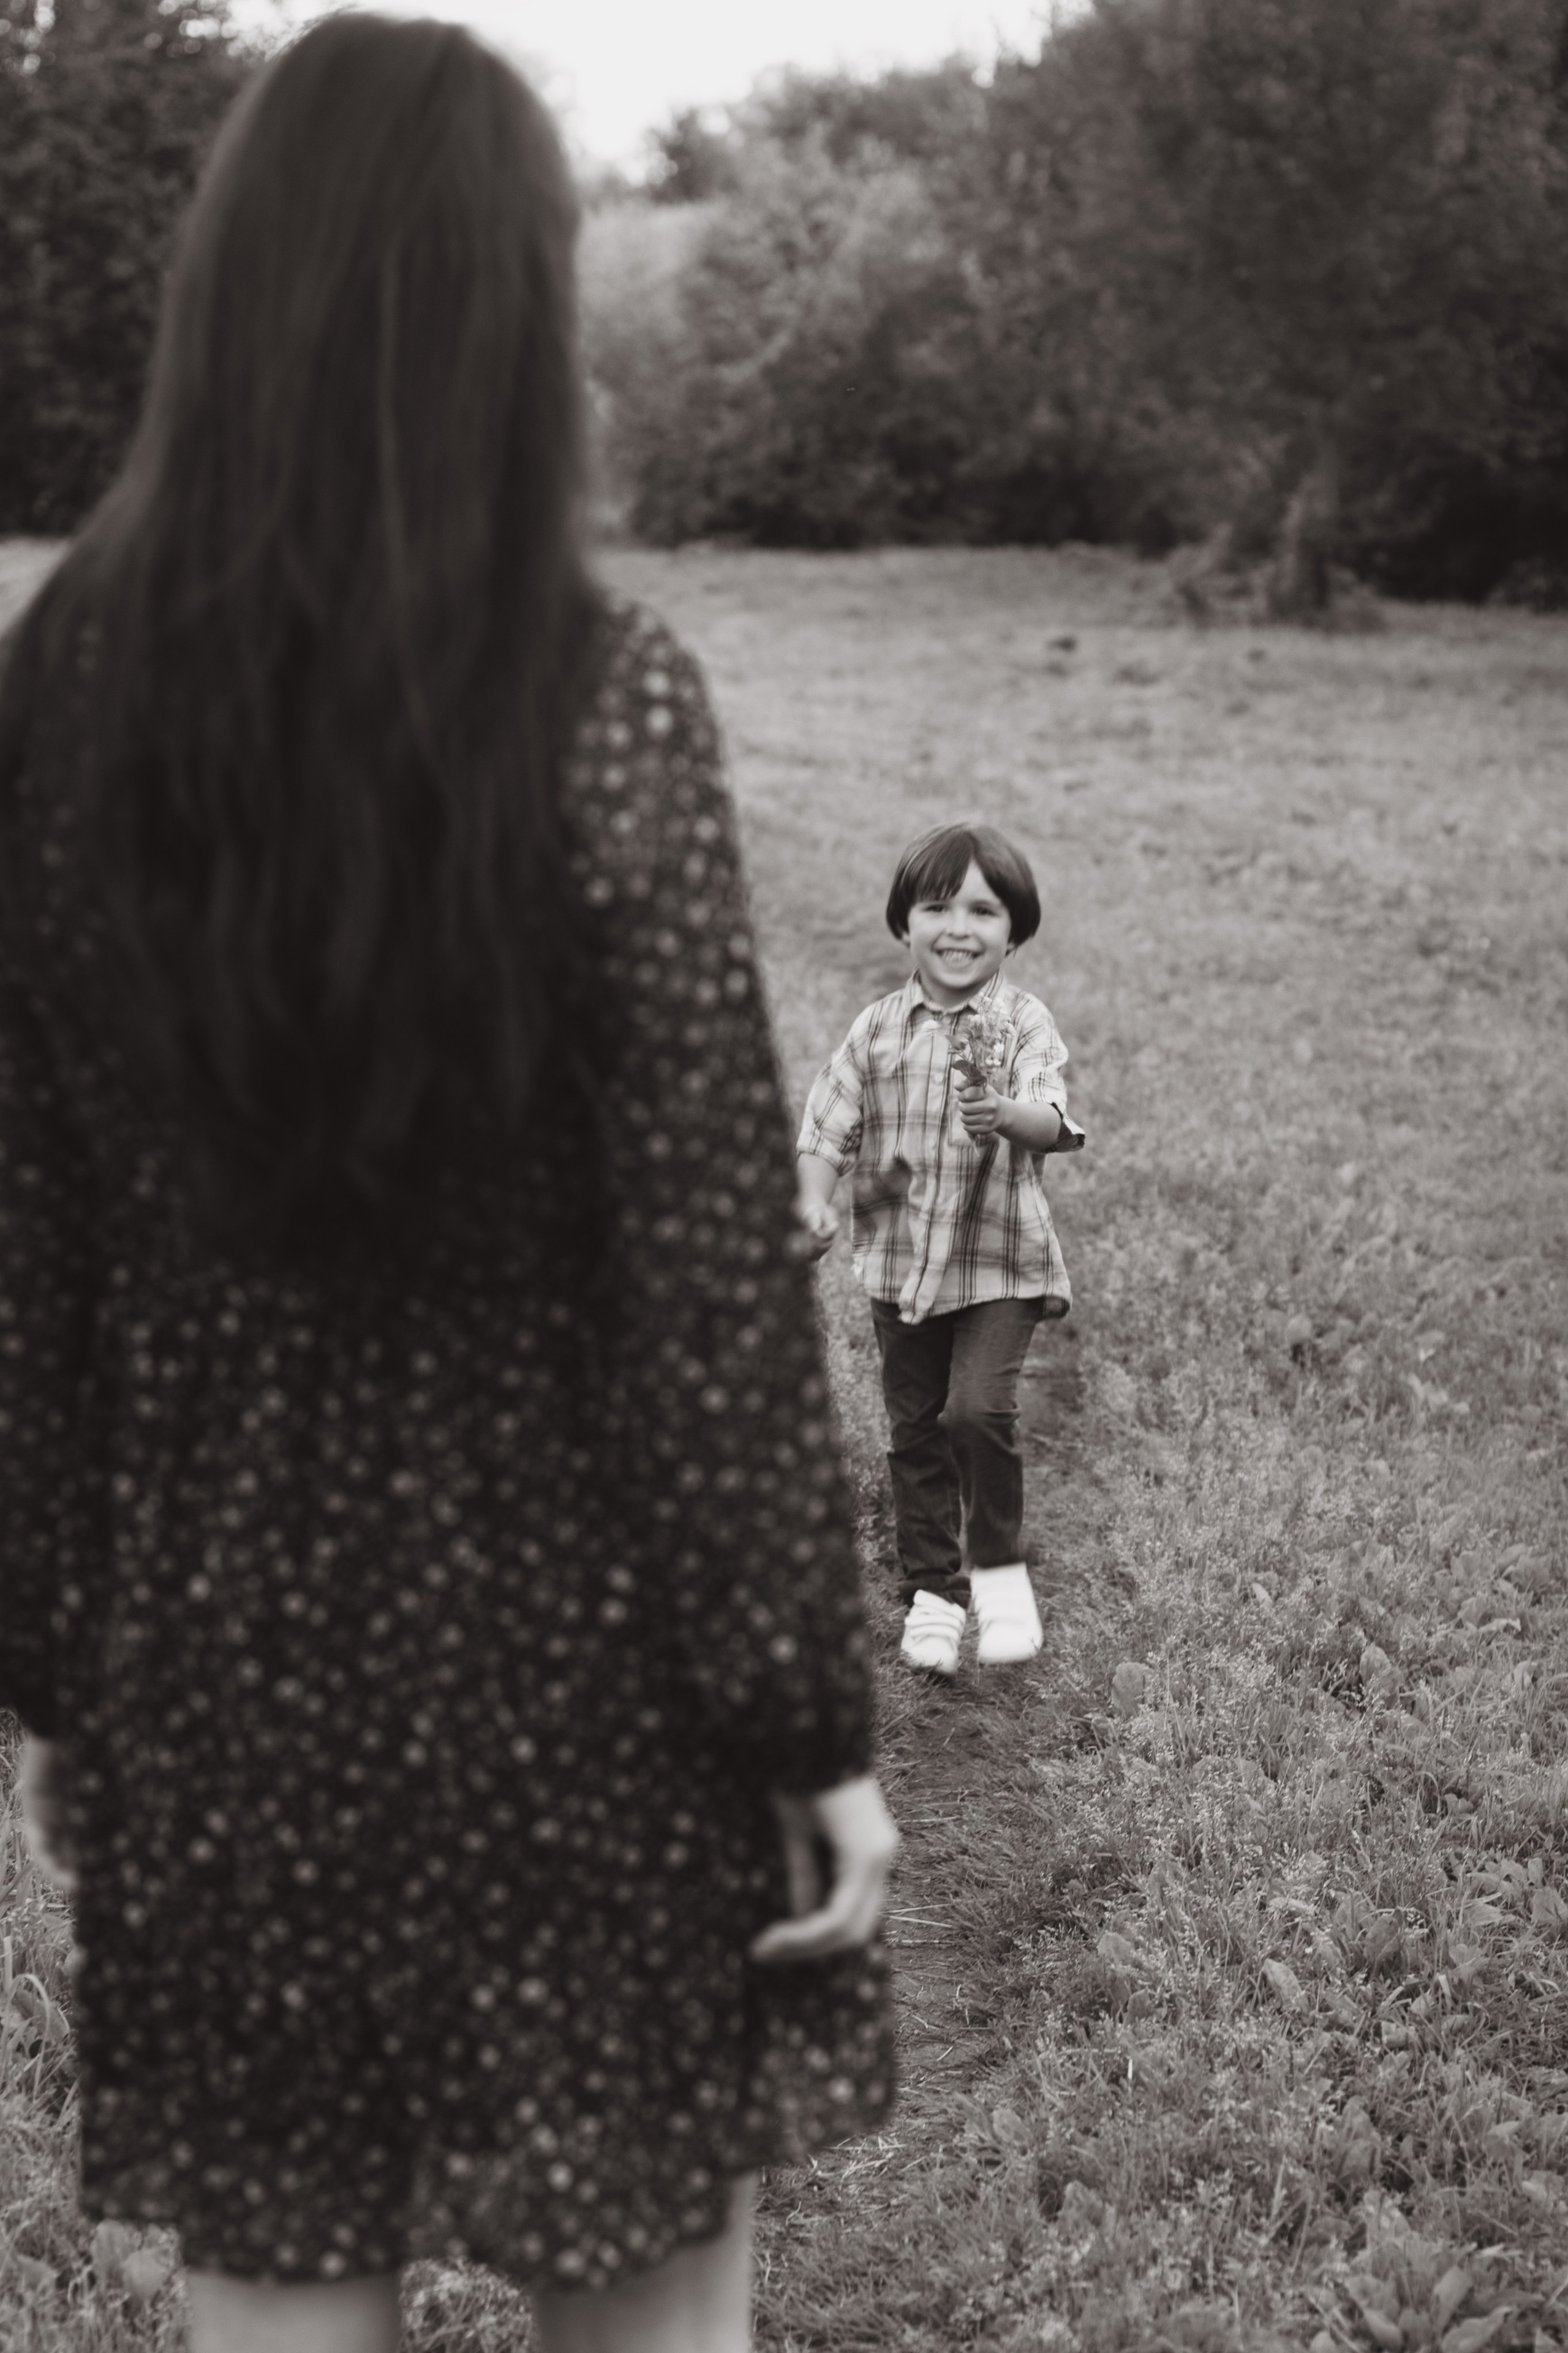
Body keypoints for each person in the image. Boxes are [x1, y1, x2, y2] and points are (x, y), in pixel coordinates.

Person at [0, 18, 899, 2353]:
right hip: (583, 1698)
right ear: (507, 312)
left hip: (220, 1689)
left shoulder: (58, 696)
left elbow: (30, 1265)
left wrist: (62, 1687)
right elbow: (708, 1280)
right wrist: (804, 1721)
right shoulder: (600, 693)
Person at [794, 825, 1075, 1680]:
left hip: (1000, 1262)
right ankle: (932, 1590)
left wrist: (1006, 1113)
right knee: (915, 1428)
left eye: (983, 909)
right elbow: (826, 1129)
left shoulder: (1022, 1022)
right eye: (937, 905)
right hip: (900, 1264)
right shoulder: (876, 1029)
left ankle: (997, 1577)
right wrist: (812, 1200)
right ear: (904, 924)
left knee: (976, 1413)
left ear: (1013, 932)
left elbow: (1055, 1121)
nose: (960, 926)